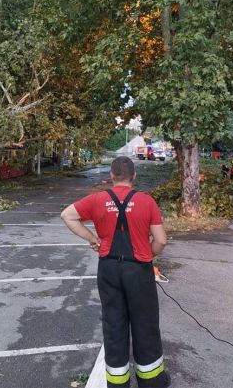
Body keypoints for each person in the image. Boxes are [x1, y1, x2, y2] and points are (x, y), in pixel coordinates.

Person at [61, 156, 170, 388]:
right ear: (134, 177)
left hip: (109, 269)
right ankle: (152, 382)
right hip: (139, 270)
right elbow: (161, 240)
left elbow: (67, 215)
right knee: (145, 324)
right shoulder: (146, 201)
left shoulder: (98, 199)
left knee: (114, 324)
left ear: (111, 176)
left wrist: (93, 240)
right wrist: (149, 254)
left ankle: (118, 383)